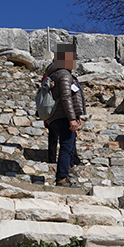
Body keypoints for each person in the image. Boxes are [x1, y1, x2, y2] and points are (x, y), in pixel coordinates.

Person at [44, 45, 85, 187]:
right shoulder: (64, 75)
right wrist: (72, 118)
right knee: (67, 147)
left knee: (68, 145)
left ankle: (69, 169)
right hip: (64, 116)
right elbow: (67, 97)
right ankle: (62, 178)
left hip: (54, 117)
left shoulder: (53, 75)